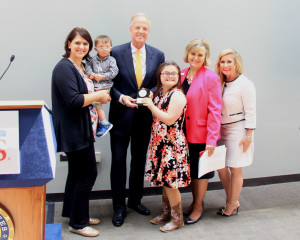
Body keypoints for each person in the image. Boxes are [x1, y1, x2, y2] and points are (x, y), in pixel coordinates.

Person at [51, 27, 111, 237]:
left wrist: (97, 96)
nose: (81, 47)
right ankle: (78, 223)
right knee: (87, 173)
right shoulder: (64, 68)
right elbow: (74, 100)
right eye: (77, 42)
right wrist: (99, 96)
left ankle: (74, 212)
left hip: (82, 128)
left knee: (76, 173)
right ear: (69, 44)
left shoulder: (80, 67)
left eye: (85, 44)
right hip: (73, 130)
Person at [109, 13, 165, 227]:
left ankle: (134, 200)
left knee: (139, 161)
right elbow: (108, 83)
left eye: (145, 28)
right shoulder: (115, 52)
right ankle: (118, 207)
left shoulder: (157, 54)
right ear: (130, 29)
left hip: (143, 118)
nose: (141, 31)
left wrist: (152, 92)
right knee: (117, 162)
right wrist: (121, 97)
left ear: (148, 31)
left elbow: (159, 82)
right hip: (121, 116)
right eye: (137, 27)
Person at [143, 61, 190, 232]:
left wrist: (150, 105)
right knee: (164, 180)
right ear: (160, 76)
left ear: (178, 77)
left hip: (172, 145)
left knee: (171, 183)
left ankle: (178, 220)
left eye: (173, 74)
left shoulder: (177, 95)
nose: (170, 76)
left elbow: (169, 119)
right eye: (166, 73)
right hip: (159, 143)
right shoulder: (160, 93)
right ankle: (166, 213)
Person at [180, 39, 222, 224]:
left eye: (200, 54)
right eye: (193, 53)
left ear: (205, 57)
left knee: (201, 172)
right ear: (187, 54)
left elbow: (215, 110)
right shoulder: (181, 73)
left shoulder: (211, 77)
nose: (196, 57)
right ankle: (194, 202)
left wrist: (212, 139)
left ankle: (198, 206)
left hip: (202, 133)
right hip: (182, 132)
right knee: (190, 171)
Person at [215, 49, 256, 216]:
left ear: (236, 63)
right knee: (220, 166)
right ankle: (232, 199)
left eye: (229, 61)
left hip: (238, 129)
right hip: (221, 129)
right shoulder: (219, 82)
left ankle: (231, 204)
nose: (225, 65)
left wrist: (248, 136)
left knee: (235, 167)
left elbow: (251, 111)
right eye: (222, 62)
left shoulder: (245, 84)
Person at [86, 35, 118, 137]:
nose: (104, 50)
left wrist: (102, 76)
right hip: (94, 85)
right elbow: (87, 67)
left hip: (105, 86)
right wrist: (91, 74)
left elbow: (114, 72)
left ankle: (104, 123)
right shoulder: (92, 59)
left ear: (111, 48)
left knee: (96, 104)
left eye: (107, 47)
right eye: (101, 47)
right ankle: (100, 122)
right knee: (92, 105)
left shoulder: (112, 60)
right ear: (96, 49)